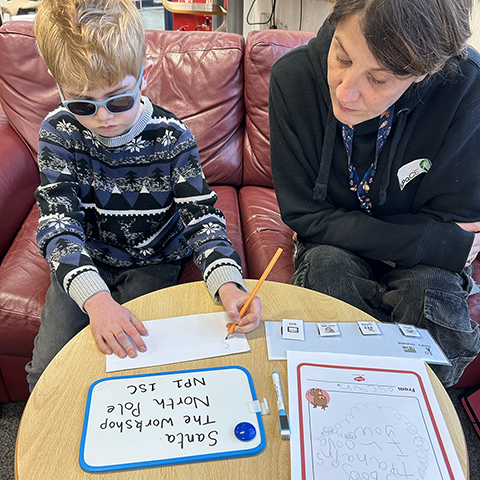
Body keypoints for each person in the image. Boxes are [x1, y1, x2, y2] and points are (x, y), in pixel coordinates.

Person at [26, 0, 261, 390]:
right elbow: (58, 223)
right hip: (86, 257)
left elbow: (201, 218)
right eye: (82, 104)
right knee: (46, 375)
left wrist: (227, 282)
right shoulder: (58, 131)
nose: (104, 118)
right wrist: (96, 300)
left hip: (155, 260)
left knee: (138, 364)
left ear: (144, 76)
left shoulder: (172, 136)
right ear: (58, 85)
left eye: (119, 100)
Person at [269, 0, 480, 387]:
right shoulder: (292, 78)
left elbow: (456, 219)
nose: (345, 93)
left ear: (424, 72)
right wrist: (431, 241)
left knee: (428, 297)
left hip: (416, 263)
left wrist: (339, 223)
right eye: (342, 57)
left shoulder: (468, 88)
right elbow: (304, 214)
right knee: (328, 273)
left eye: (379, 80)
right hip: (342, 249)